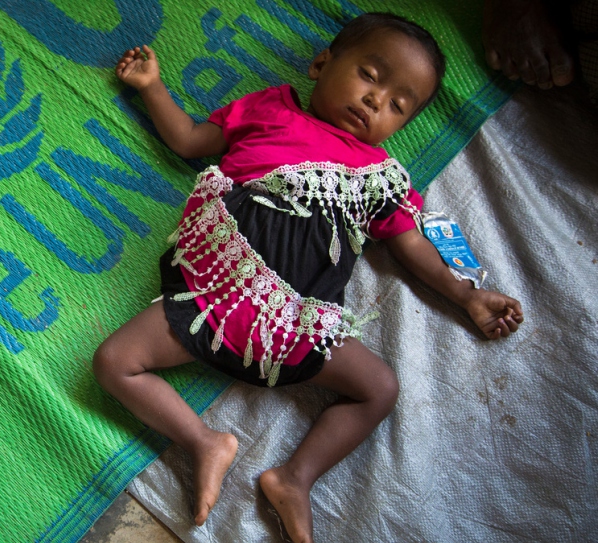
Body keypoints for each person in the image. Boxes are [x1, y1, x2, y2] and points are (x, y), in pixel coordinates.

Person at [92, 13, 524, 543]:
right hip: (215, 293)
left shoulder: (379, 176)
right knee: (114, 362)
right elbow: (188, 139)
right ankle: (203, 441)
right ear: (321, 64)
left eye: (397, 105)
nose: (375, 101)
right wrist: (151, 87)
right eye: (370, 76)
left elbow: (411, 244)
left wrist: (468, 295)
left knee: (380, 390)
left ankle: (295, 478)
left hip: (300, 324)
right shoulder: (269, 110)